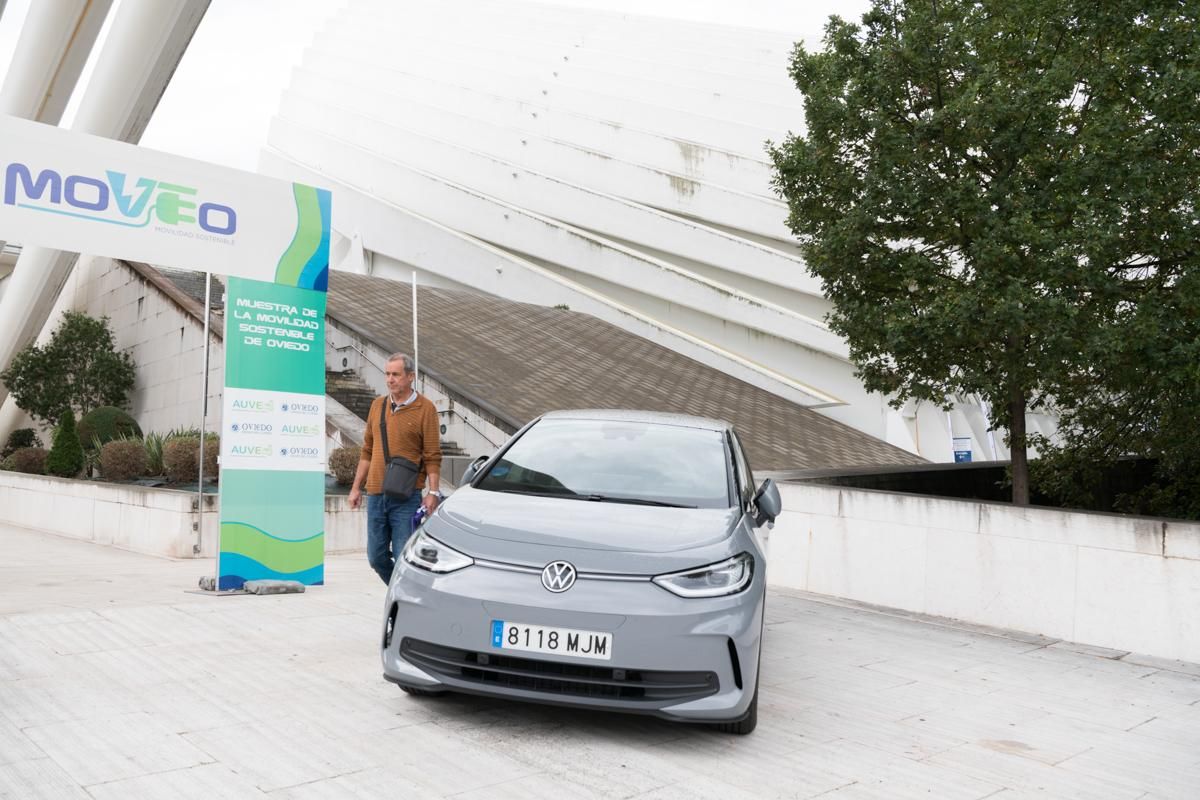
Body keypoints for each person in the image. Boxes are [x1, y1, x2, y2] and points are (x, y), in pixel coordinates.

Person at [348, 353, 443, 584]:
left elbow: (432, 455)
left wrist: (433, 492)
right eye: (387, 374)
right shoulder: (377, 406)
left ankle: (404, 597)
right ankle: (403, 592)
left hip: (406, 496)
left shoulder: (425, 408)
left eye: (396, 375)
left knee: (403, 557)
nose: (390, 379)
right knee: (376, 557)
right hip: (375, 494)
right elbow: (367, 450)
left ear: (410, 376)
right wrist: (356, 488)